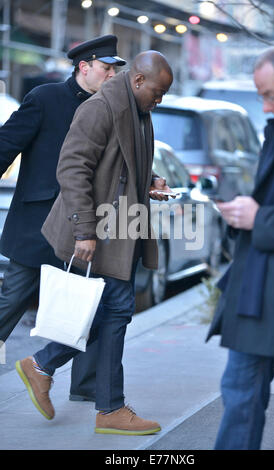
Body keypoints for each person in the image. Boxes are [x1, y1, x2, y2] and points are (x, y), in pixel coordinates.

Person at [15, 50, 174, 435]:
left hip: (118, 228)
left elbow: (124, 158)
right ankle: (107, 407)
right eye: (158, 91)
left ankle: (45, 367)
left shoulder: (136, 109)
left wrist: (149, 180)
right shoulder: (101, 108)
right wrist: (84, 231)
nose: (160, 100)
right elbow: (72, 167)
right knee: (115, 311)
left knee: (109, 313)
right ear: (137, 81)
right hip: (97, 231)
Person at [0, 35, 126, 400]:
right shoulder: (45, 98)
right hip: (36, 226)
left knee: (86, 303)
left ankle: (85, 389)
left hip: (83, 226)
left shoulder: (112, 107)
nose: (110, 76)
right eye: (105, 68)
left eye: (114, 70)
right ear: (84, 67)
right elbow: (6, 145)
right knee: (12, 301)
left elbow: (115, 163)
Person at [206, 45, 274, 450]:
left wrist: (258, 219)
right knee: (238, 401)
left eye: (270, 95)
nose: (263, 106)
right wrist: (241, 217)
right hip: (255, 296)